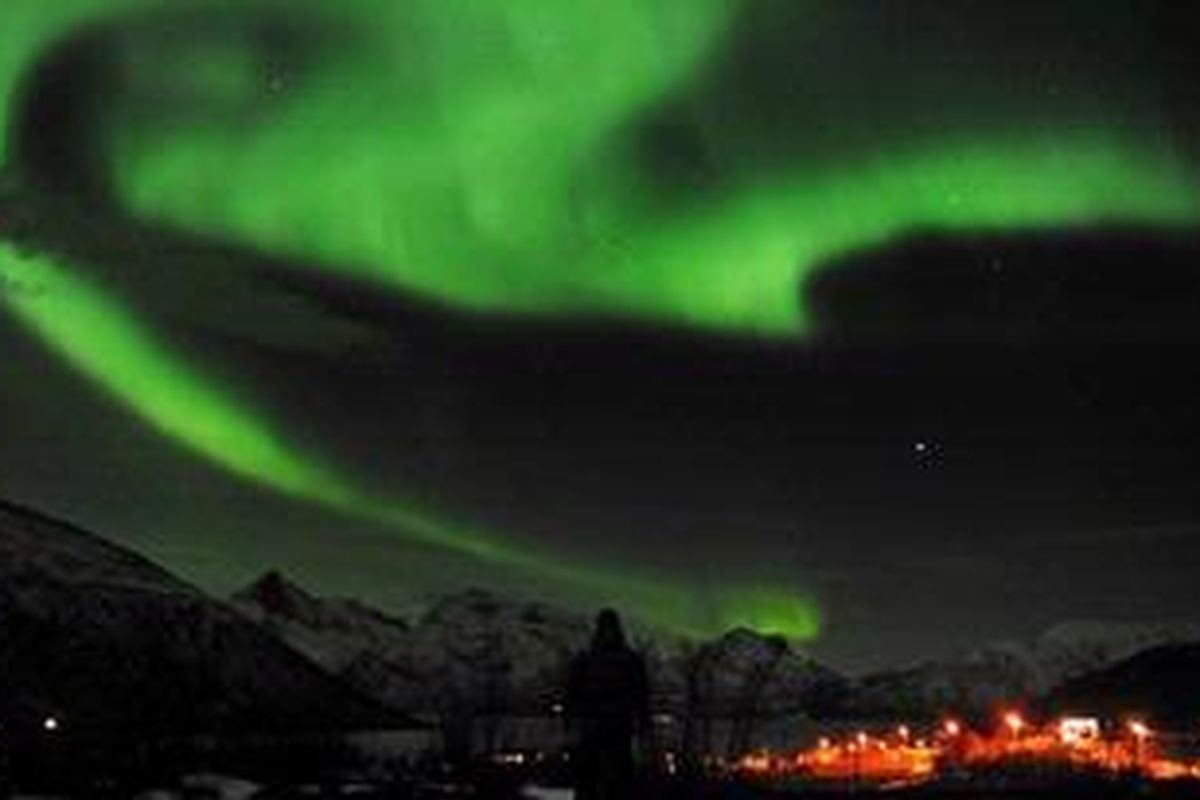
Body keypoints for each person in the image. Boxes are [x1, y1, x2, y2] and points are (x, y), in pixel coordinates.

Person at [566, 609, 650, 800]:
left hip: (613, 725)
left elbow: (641, 695)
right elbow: (572, 692)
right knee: (596, 775)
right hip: (602, 725)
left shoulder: (592, 659)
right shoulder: (592, 659)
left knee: (611, 776)